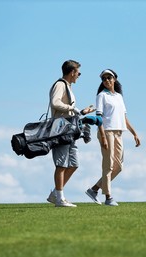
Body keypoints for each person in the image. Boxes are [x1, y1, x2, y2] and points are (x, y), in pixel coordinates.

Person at [85, 69, 141, 206]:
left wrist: (134, 133)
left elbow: (124, 118)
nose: (106, 80)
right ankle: (108, 197)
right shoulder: (101, 96)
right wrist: (103, 136)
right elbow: (98, 117)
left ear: (114, 79)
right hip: (107, 132)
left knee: (118, 167)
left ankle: (94, 189)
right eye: (104, 79)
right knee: (108, 165)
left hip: (119, 132)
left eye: (109, 77)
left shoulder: (119, 97)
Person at [46, 60, 94, 207]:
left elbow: (68, 108)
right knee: (61, 164)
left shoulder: (68, 87)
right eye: (78, 72)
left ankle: (56, 194)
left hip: (69, 130)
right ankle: (60, 199)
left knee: (73, 164)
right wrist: (73, 109)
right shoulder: (60, 84)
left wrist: (81, 111)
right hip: (60, 129)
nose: (79, 75)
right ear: (72, 72)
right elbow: (55, 102)